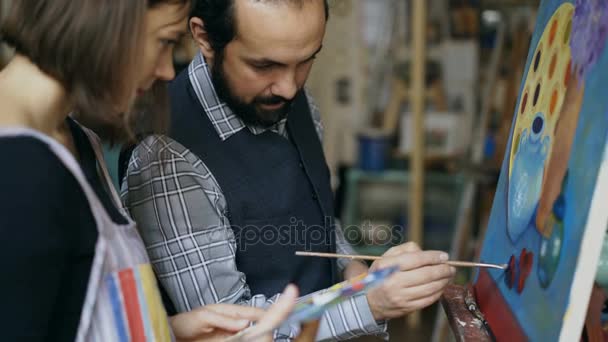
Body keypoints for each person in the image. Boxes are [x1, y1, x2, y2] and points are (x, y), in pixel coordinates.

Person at [122, 0, 456, 340]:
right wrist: (368, 303)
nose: (288, 87)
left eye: (306, 60)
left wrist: (351, 268)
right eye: (265, 65)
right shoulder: (165, 157)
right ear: (204, 38)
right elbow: (232, 333)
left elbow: (317, 215)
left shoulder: (292, 100)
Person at [0, 1, 310, 341]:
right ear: (104, 21)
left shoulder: (76, 139)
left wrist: (173, 334)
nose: (166, 70)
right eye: (165, 41)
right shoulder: (18, 166)